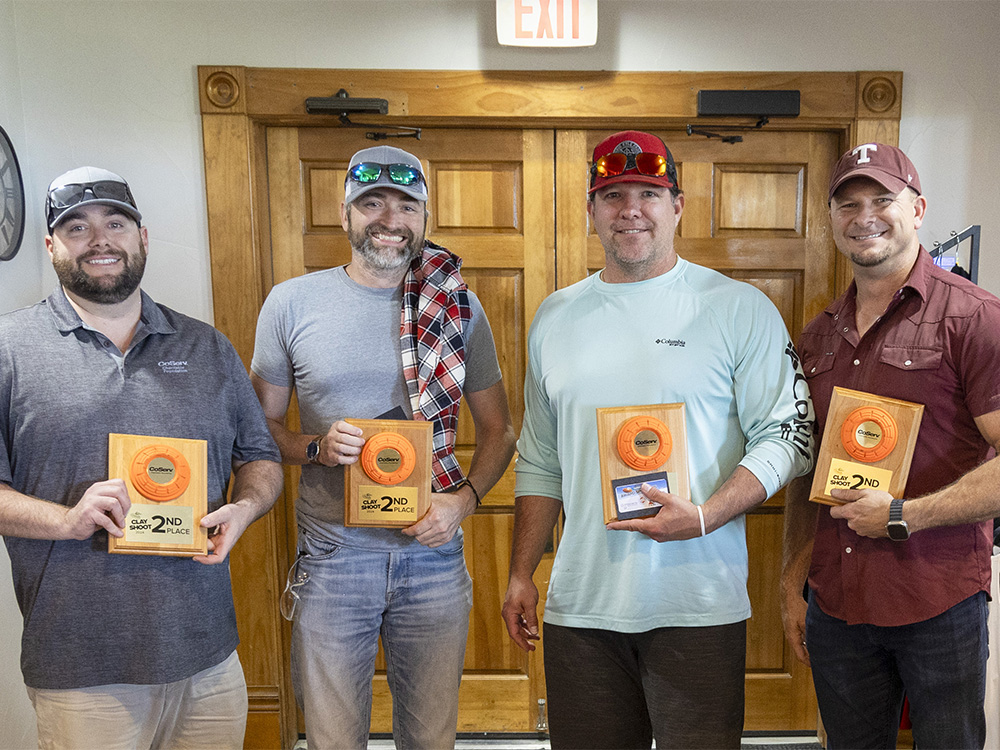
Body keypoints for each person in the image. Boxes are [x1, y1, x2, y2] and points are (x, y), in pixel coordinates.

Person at [501, 130, 814, 749]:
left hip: (697, 604)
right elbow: (540, 461)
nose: (631, 209)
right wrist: (520, 573)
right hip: (582, 608)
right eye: (613, 194)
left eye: (649, 191)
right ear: (591, 211)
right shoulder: (555, 317)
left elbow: (789, 436)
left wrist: (703, 517)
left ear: (678, 205)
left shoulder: (738, 308)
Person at [0, 166, 284, 750]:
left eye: (115, 223)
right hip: (81, 668)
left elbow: (260, 456)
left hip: (207, 656)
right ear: (51, 246)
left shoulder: (206, 347)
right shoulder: (9, 349)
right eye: (76, 227)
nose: (99, 239)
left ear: (143, 238)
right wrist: (64, 521)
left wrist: (245, 509)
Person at [250, 144, 516, 749]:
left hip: (432, 553)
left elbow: (498, 430)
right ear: (344, 213)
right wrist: (316, 447)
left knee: (430, 739)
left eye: (406, 205)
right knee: (333, 738)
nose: (389, 219)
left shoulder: (458, 307)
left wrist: (464, 503)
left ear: (425, 218)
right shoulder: (290, 304)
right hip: (333, 555)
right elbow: (257, 428)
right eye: (371, 203)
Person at [780, 143, 1000, 749]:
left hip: (938, 598)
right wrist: (793, 577)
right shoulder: (818, 334)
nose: (864, 215)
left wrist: (905, 516)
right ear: (831, 221)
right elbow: (807, 464)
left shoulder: (974, 318)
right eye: (847, 203)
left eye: (883, 199)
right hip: (837, 601)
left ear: (919, 208)